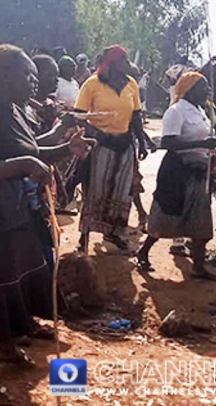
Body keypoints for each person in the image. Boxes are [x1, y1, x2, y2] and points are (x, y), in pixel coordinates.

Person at [0, 44, 93, 406]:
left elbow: (31, 149)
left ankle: (10, 347)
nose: (34, 82)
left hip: (17, 210)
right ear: (2, 75)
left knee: (18, 281)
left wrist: (67, 146)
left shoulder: (16, 111)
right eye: (27, 75)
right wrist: (24, 164)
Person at [136, 72, 216, 281]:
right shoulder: (176, 111)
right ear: (189, 89)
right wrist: (200, 144)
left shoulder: (201, 111)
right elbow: (168, 142)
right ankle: (143, 252)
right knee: (167, 215)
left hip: (200, 171)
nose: (207, 91)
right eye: (203, 87)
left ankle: (198, 268)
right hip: (178, 172)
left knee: (200, 218)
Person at [74, 45, 147, 252]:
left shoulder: (131, 84)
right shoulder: (92, 84)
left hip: (125, 145)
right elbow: (79, 115)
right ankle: (84, 236)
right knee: (95, 190)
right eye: (124, 60)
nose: (127, 64)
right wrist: (98, 134)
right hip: (101, 146)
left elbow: (136, 116)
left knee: (121, 192)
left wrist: (141, 142)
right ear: (112, 63)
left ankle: (114, 233)